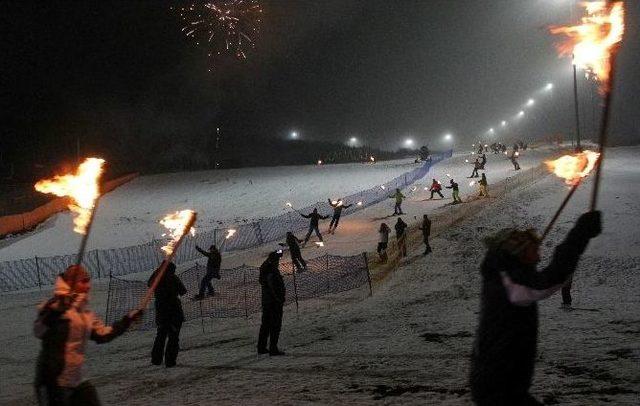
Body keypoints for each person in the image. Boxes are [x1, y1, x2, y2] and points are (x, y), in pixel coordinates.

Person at [469, 211, 602, 405]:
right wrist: (579, 235)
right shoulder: (509, 282)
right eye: (533, 249)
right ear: (520, 254)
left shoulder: (504, 272)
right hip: (498, 388)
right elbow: (549, 281)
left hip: (504, 385)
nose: (539, 253)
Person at [34, 265, 142, 406]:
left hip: (76, 380)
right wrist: (55, 312)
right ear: (71, 283)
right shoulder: (54, 306)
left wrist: (128, 320)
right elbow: (39, 330)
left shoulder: (84, 314)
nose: (89, 286)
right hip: (52, 381)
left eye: (88, 280)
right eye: (83, 281)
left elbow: (103, 334)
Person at [148, 261, 186, 368]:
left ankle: (156, 359)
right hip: (174, 311)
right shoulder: (173, 278)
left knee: (161, 336)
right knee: (173, 337)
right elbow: (183, 291)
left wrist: (157, 271)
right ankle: (170, 361)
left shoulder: (156, 278)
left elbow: (149, 284)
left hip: (161, 311)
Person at [258, 251, 286, 356]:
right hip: (274, 303)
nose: (278, 262)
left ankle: (261, 347)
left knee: (265, 325)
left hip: (267, 302)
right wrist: (278, 299)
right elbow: (272, 287)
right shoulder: (271, 271)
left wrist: (277, 252)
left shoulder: (265, 269)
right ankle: (273, 348)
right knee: (275, 326)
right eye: (277, 260)